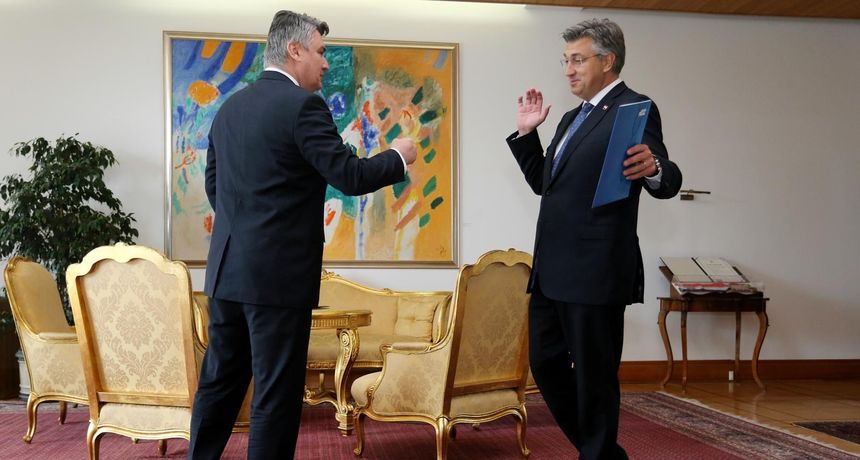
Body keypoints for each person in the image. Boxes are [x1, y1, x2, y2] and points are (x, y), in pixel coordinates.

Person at [188, 10, 417, 459]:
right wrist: (396, 156)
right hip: (277, 280)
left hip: (227, 274)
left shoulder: (229, 109)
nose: (326, 63)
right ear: (294, 50)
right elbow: (348, 175)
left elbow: (215, 188)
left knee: (219, 383)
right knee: (276, 393)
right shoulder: (303, 106)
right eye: (321, 51)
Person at [506, 18, 682, 460]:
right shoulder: (571, 118)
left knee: (594, 377)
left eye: (577, 60)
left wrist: (655, 169)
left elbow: (664, 174)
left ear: (607, 60)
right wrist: (528, 134)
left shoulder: (634, 108)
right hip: (551, 270)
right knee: (545, 364)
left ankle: (597, 454)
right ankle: (603, 454)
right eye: (565, 60)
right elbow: (545, 184)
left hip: (595, 268)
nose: (568, 69)